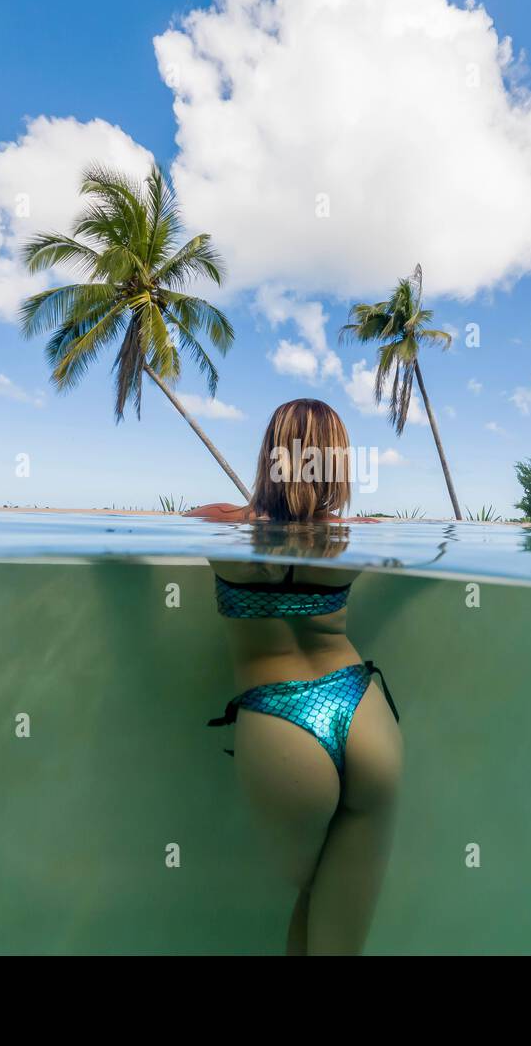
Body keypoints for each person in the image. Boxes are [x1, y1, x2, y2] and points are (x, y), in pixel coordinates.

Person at [186, 398, 402, 955]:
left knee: (311, 889)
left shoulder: (219, 523)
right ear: (338, 459)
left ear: (270, 453)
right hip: (364, 710)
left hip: (283, 726)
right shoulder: (356, 533)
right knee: (336, 928)